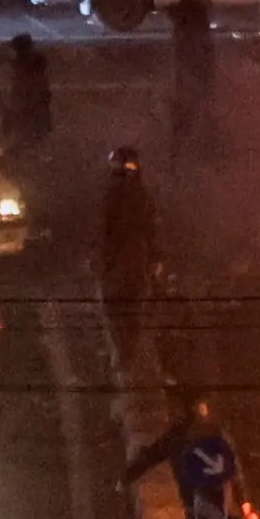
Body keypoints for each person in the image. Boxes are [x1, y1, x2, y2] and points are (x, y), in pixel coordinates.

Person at [123, 388, 250, 514]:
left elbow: (152, 456)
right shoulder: (211, 433)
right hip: (210, 496)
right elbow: (234, 467)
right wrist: (243, 499)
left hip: (200, 496)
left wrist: (127, 476)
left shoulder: (179, 435)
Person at [100, 147, 161, 374]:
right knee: (129, 309)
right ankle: (127, 353)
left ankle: (127, 354)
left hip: (124, 261)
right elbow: (152, 226)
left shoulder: (118, 192)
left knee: (121, 308)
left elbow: (102, 228)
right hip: (129, 260)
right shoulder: (138, 192)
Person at [164, 0, 217, 158]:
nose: (210, 0)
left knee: (185, 109)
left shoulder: (186, 9)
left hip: (184, 68)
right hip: (192, 69)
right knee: (190, 109)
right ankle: (179, 150)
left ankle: (177, 148)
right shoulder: (196, 12)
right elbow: (199, 44)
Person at [4, 33, 52, 150]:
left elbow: (24, 101)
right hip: (34, 115)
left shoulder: (27, 77)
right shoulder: (36, 73)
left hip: (30, 116)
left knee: (30, 142)